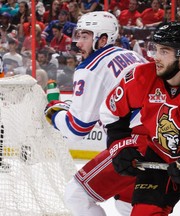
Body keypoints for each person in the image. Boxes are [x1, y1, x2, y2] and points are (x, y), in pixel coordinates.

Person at [100, 22, 180, 216]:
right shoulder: (141, 77)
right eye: (156, 49)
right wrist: (120, 146)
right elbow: (111, 113)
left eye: (165, 51)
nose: (156, 57)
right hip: (158, 153)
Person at [44, 11, 148, 216]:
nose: (78, 43)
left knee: (77, 195)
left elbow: (77, 129)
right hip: (160, 136)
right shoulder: (133, 55)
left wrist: (54, 114)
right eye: (78, 36)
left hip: (134, 144)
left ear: (102, 39)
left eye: (84, 37)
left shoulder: (91, 67)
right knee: (128, 205)